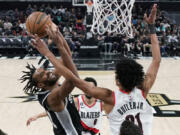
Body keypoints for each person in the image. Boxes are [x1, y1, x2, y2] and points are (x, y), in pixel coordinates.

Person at [30, 4, 160, 135]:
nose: (49, 71)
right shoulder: (143, 90)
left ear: (117, 81)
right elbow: (156, 60)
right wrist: (151, 27)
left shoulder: (110, 97)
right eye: (45, 73)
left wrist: (53, 43)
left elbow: (72, 75)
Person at [20, 24, 83, 135]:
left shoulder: (50, 81)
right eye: (43, 74)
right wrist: (48, 53)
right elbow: (74, 79)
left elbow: (67, 56)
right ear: (40, 85)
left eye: (45, 70)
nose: (49, 71)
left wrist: (57, 33)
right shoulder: (51, 98)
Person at [26, 77, 103, 135]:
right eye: (86, 87)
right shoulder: (77, 101)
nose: (88, 90)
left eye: (91, 88)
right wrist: (37, 116)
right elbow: (56, 110)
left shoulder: (102, 103)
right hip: (80, 132)